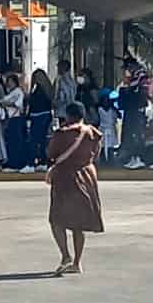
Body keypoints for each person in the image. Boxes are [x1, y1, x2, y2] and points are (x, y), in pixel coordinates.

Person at [47, 102, 103, 275]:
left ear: (68, 116)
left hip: (66, 178)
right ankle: (77, 262)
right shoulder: (93, 132)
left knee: (56, 219)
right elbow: (96, 153)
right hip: (87, 176)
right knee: (78, 223)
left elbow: (50, 154)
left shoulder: (62, 134)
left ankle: (65, 256)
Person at [26, 68, 55, 171]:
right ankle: (42, 162)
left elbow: (32, 103)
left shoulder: (37, 90)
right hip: (46, 115)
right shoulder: (48, 90)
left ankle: (31, 164)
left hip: (37, 116)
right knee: (42, 140)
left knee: (33, 140)